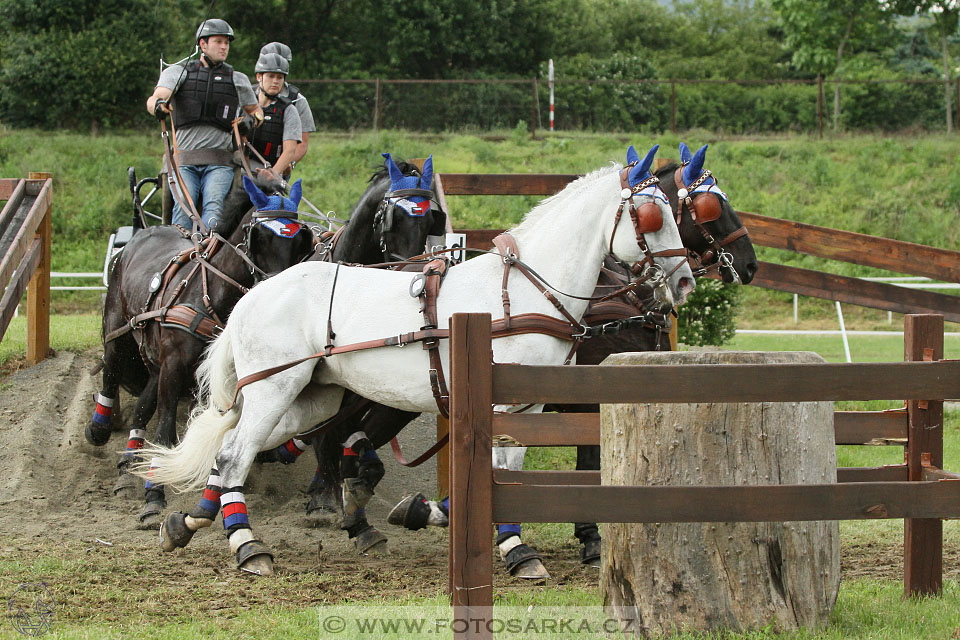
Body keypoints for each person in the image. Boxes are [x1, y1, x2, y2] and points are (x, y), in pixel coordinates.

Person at [146, 19, 263, 230]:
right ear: (202, 44)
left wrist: (251, 121)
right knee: (184, 207)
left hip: (220, 163)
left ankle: (209, 254)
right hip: (183, 162)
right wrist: (159, 105)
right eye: (218, 41)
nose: (224, 47)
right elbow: (156, 97)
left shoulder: (238, 79)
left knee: (214, 207)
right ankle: (181, 255)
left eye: (227, 42)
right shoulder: (178, 73)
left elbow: (256, 111)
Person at [258, 42, 315, 171]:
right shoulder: (250, 94)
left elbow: (302, 143)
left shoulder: (297, 101)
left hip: (279, 163)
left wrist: (289, 163)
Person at [247, 53, 301, 180]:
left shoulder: (289, 110)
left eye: (280, 77)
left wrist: (272, 175)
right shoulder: (244, 105)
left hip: (272, 170)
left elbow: (289, 150)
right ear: (259, 76)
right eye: (271, 76)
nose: (276, 81)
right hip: (243, 168)